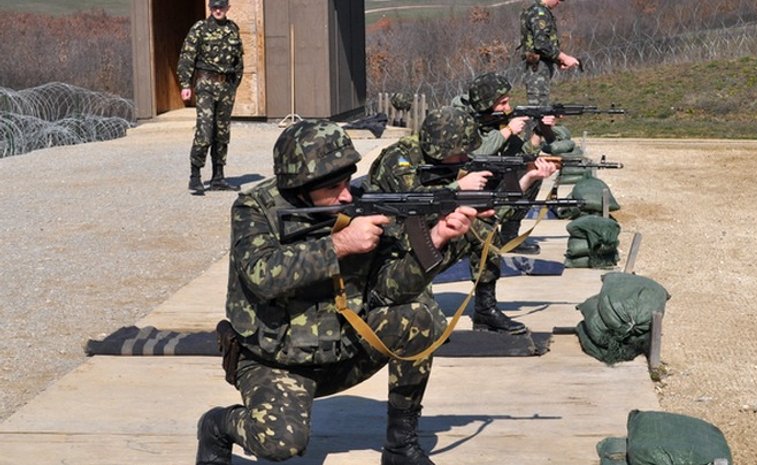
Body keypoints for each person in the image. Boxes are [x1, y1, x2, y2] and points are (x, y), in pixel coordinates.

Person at [195, 120, 482, 465]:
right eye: (333, 186)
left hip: (343, 349)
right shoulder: (254, 209)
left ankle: (400, 447)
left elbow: (390, 290)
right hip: (276, 361)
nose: (347, 195)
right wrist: (340, 244)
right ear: (301, 185)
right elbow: (263, 275)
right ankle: (218, 425)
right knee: (280, 444)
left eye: (347, 182)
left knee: (417, 316)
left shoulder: (357, 206)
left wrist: (437, 239)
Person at [364, 107, 555, 335]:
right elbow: (414, 200)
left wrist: (529, 177)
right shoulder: (398, 159)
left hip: (424, 239)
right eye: (461, 153)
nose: (466, 158)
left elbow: (492, 211)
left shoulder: (443, 160)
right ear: (443, 148)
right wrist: (458, 187)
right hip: (390, 253)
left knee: (483, 229)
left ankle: (485, 310)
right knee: (428, 328)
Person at [452, 71, 558, 254]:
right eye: (502, 103)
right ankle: (481, 234)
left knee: (531, 171)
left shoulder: (496, 119)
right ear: (486, 104)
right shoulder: (459, 119)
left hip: (488, 177)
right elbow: (475, 153)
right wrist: (508, 130)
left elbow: (518, 156)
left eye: (508, 102)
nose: (507, 108)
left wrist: (539, 133)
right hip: (462, 183)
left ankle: (509, 236)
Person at [177, 0, 244, 194]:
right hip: (206, 84)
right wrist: (185, 84)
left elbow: (239, 60)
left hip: (226, 87)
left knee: (222, 132)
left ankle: (218, 177)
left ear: (227, 8)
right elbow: (187, 56)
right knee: (205, 131)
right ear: (210, 8)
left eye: (221, 7)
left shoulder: (233, 29)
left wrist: (234, 84)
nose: (218, 10)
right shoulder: (200, 28)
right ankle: (195, 175)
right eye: (214, 7)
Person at [519, 0, 580, 105]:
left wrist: (557, 60)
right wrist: (564, 57)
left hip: (540, 64)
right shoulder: (539, 13)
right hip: (537, 66)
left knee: (542, 105)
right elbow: (541, 44)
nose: (559, 3)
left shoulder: (539, 10)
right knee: (538, 107)